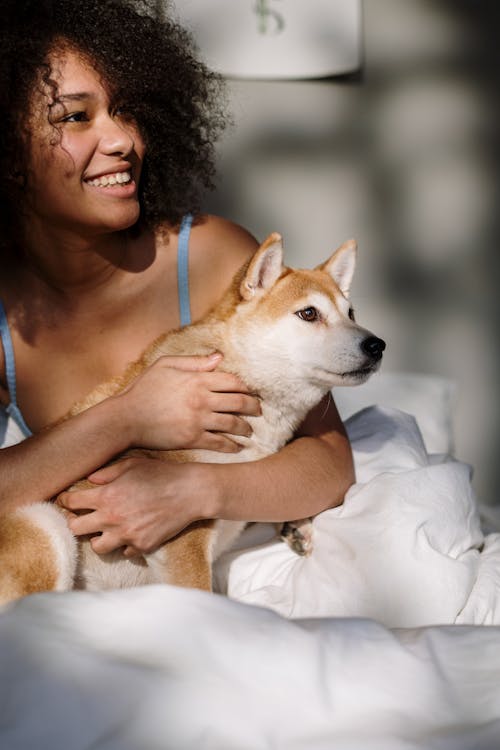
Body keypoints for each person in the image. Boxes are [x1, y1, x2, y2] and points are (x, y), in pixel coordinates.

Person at [0, 0, 354, 561]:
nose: (123, 141)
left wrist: (195, 490)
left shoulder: (211, 257)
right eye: (75, 116)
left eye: (127, 111)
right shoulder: (5, 316)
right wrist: (127, 416)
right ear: (7, 152)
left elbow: (331, 464)